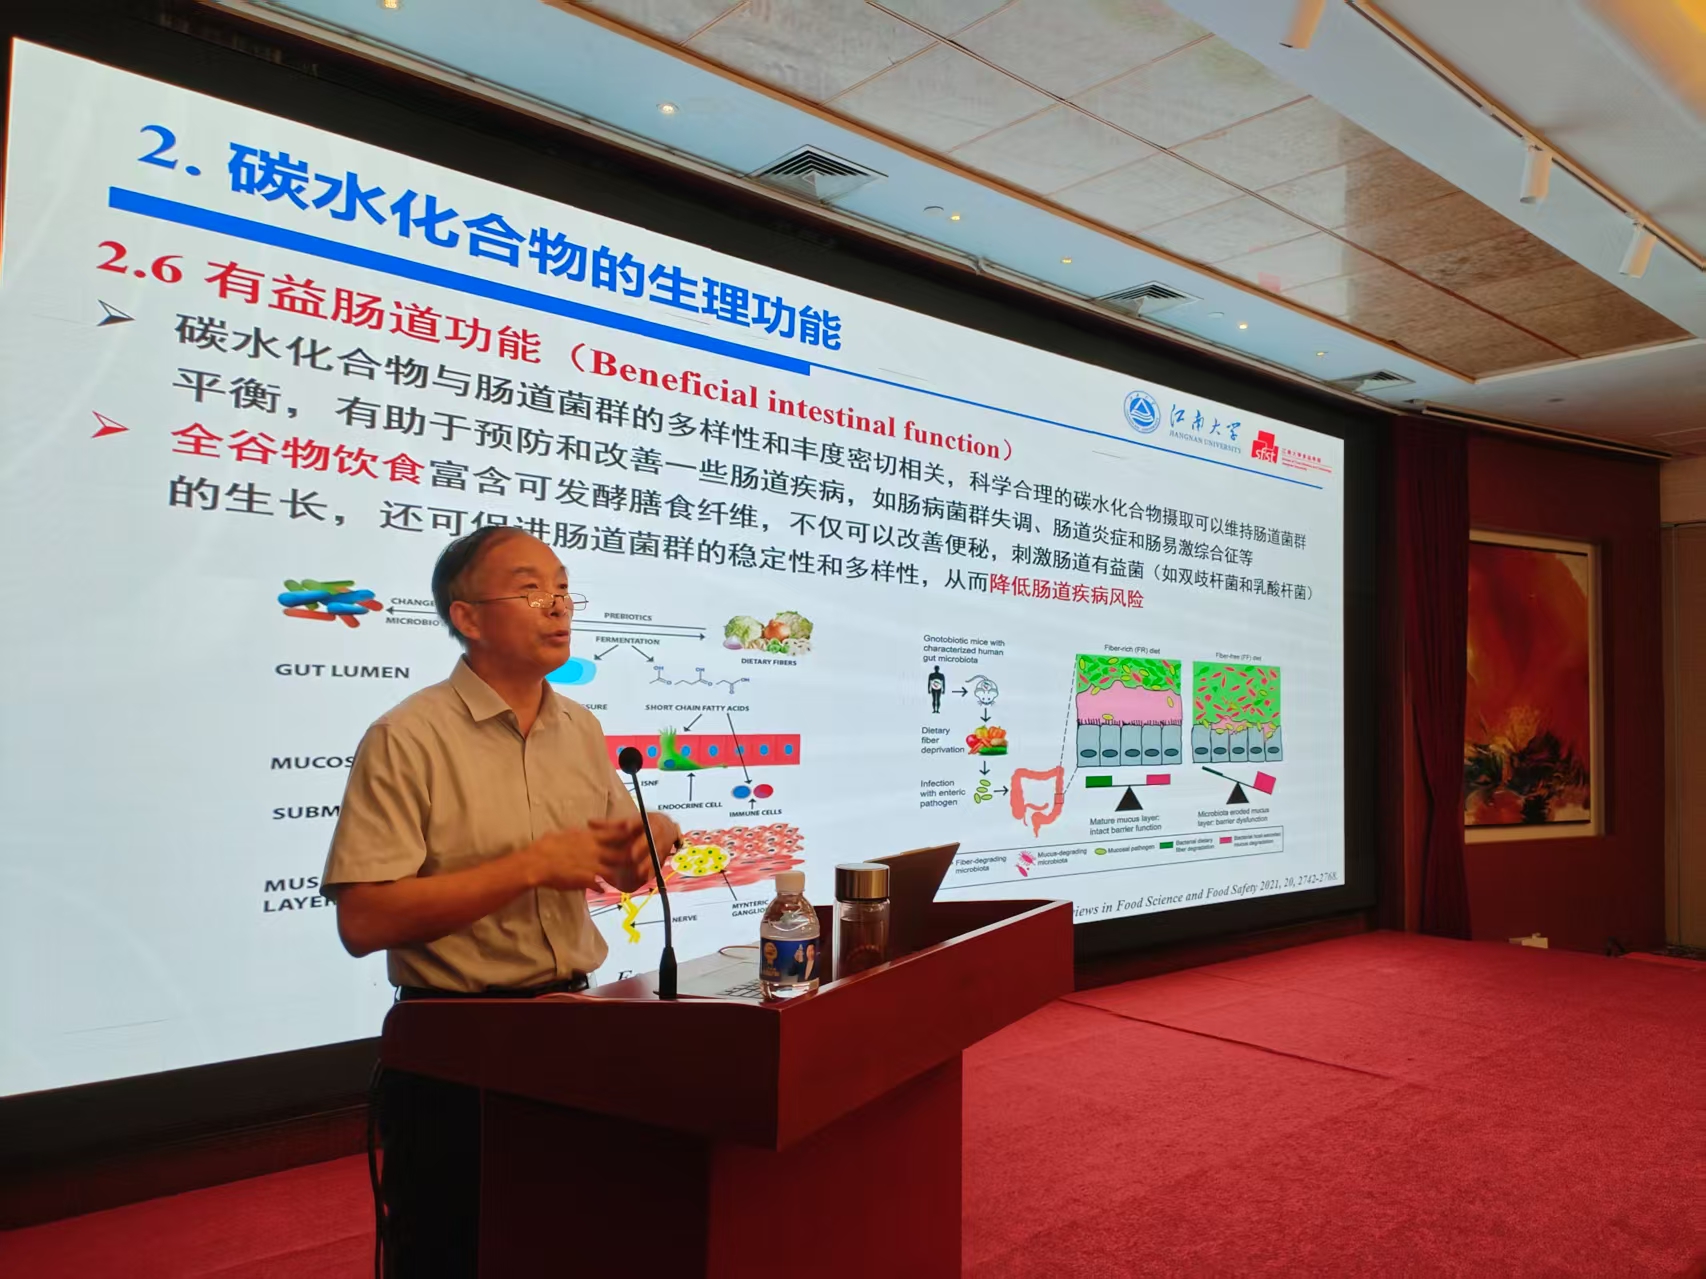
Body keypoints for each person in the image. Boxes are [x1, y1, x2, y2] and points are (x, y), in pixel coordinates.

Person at [321, 526, 681, 1277]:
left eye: (562, 587)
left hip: (572, 1028)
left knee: (568, 1243)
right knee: (452, 1252)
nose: (557, 604)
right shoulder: (407, 736)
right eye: (529, 588)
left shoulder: (579, 728)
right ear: (468, 617)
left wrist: (645, 843)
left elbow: (620, 871)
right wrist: (527, 867)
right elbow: (364, 920)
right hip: (456, 1048)